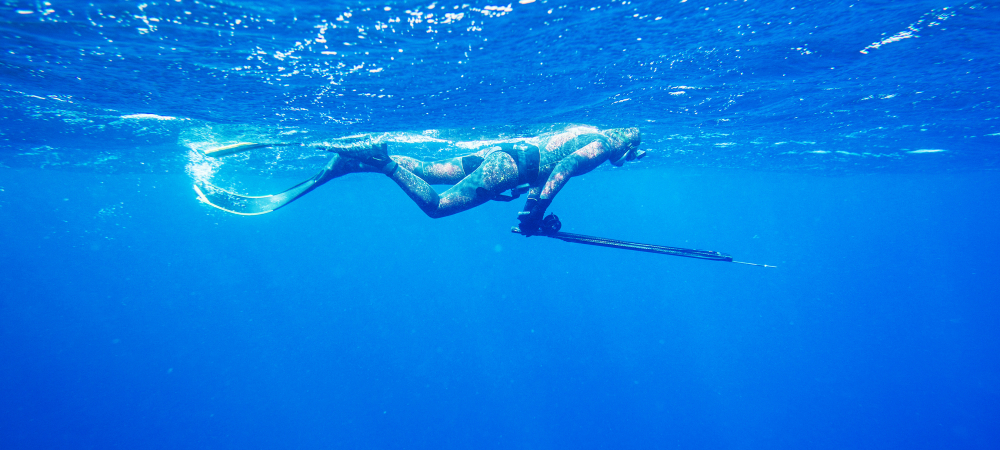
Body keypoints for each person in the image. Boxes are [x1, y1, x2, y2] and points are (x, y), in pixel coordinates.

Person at [195, 126, 644, 234]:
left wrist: (531, 203)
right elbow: (561, 170)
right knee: (436, 206)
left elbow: (553, 158)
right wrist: (534, 213)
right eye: (631, 153)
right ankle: (382, 162)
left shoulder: (591, 130)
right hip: (512, 166)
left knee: (429, 171)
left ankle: (361, 159)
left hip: (503, 157)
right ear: (625, 143)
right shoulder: (605, 144)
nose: (627, 159)